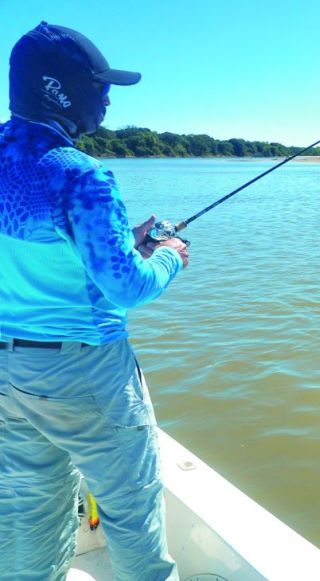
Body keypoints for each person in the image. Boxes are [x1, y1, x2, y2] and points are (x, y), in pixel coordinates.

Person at [0, 22, 188, 580]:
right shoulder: (80, 177)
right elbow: (127, 288)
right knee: (132, 510)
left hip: (9, 371)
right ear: (59, 89)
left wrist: (123, 242)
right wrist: (170, 254)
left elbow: (39, 249)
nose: (106, 98)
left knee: (29, 508)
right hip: (85, 372)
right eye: (99, 86)